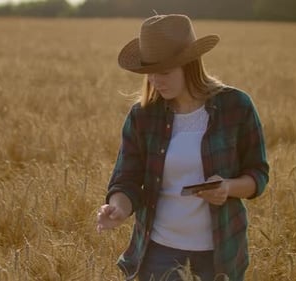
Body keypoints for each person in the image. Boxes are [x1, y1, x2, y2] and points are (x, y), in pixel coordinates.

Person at [96, 14, 269, 281]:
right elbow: (125, 180)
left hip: (220, 253)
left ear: (189, 65)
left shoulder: (236, 106)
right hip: (158, 252)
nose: (155, 80)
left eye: (164, 71)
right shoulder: (142, 116)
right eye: (149, 71)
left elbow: (258, 174)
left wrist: (227, 187)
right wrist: (119, 208)